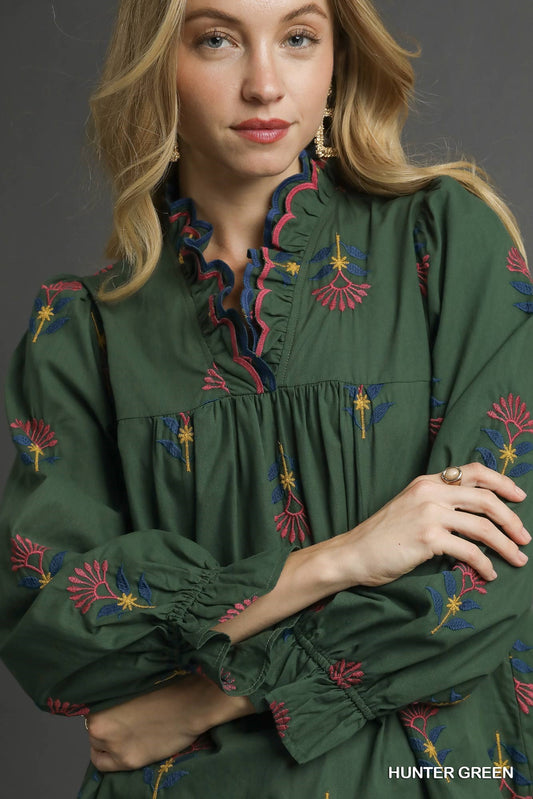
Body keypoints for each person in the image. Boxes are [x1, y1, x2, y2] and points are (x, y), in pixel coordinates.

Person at [1, 0, 532, 797]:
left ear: (335, 65)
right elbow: (57, 634)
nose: (263, 83)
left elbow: (490, 573)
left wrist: (199, 699)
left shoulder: (445, 240)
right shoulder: (81, 329)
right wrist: (334, 560)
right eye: (216, 40)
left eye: (297, 38)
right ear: (158, 71)